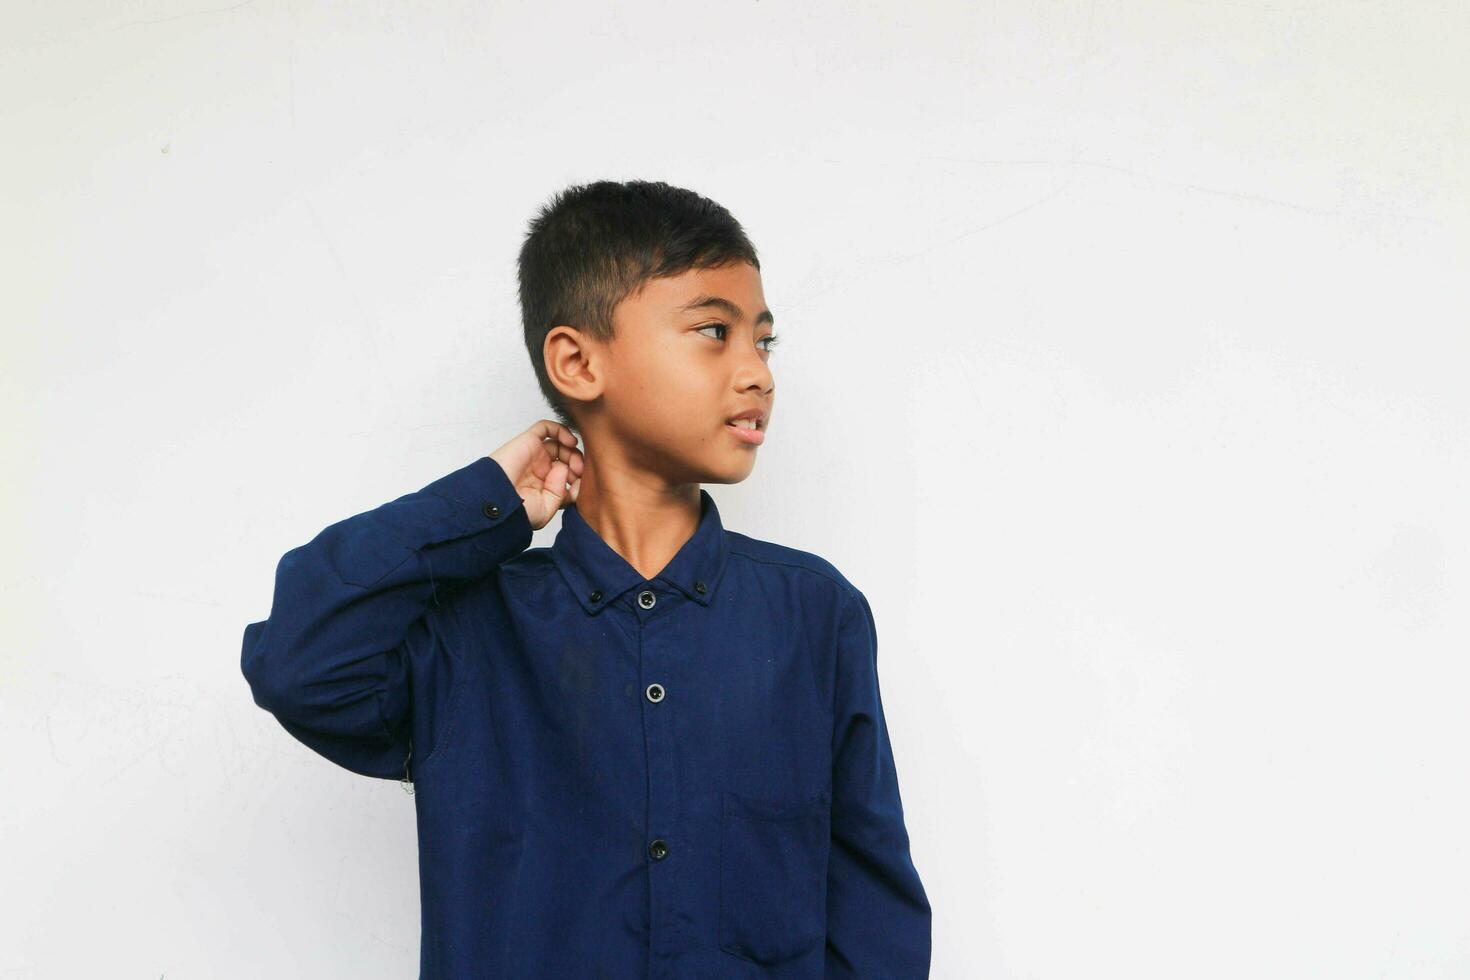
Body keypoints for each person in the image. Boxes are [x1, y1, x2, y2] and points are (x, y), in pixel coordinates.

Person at [240, 179, 931, 978]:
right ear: (576, 361)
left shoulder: (815, 615)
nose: (757, 374)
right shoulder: (468, 633)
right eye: (714, 331)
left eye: (763, 341)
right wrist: (487, 502)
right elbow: (300, 662)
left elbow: (873, 909)